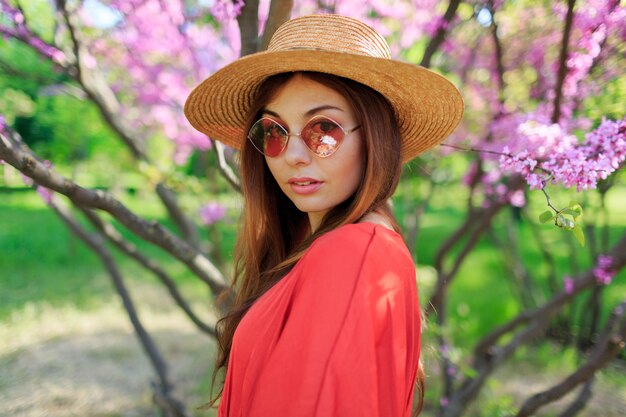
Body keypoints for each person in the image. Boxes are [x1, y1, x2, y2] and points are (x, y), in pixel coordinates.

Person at [184, 14, 463, 417]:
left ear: (373, 136)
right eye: (275, 132)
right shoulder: (341, 246)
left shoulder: (352, 252)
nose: (294, 155)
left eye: (323, 129)